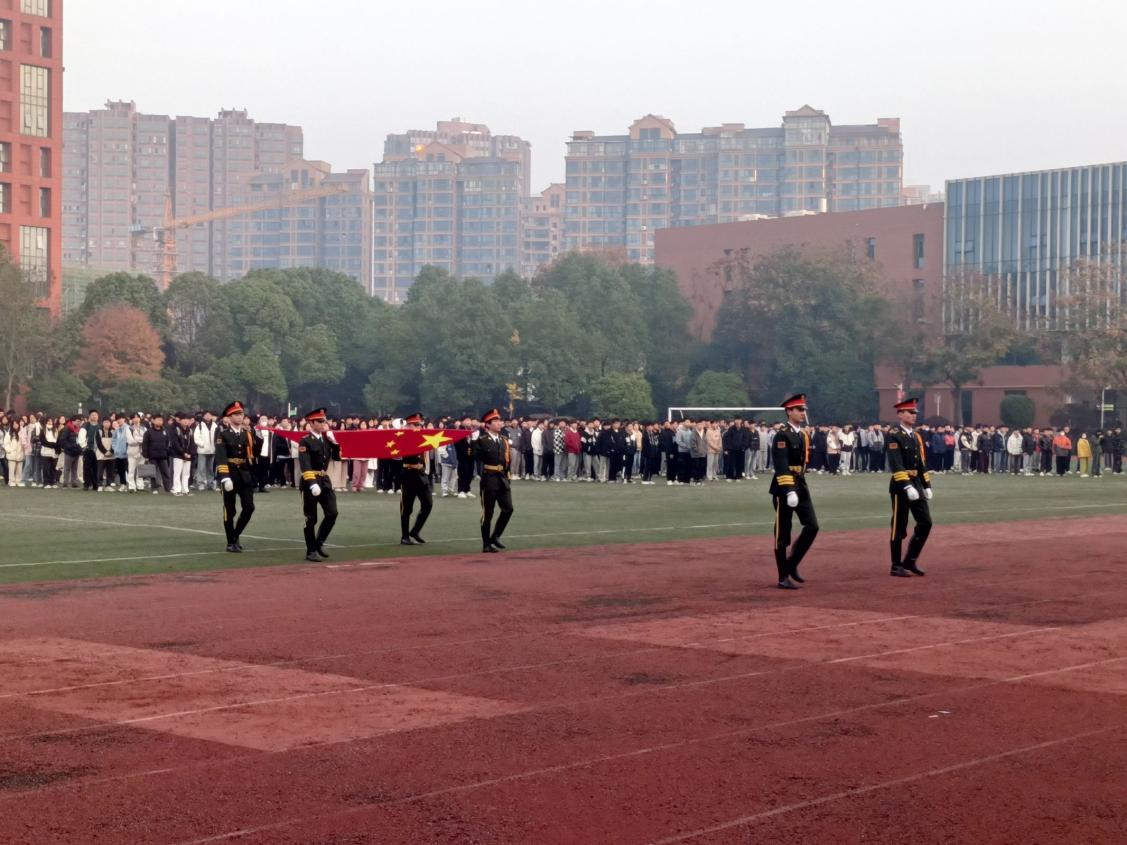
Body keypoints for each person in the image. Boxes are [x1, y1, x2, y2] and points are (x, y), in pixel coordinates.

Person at [769, 394, 819, 589]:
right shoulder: (782, 435)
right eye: (799, 410)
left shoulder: (802, 434)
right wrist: (789, 490)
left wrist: (798, 486)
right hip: (784, 487)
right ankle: (783, 576)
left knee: (812, 526)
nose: (802, 413)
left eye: (803, 410)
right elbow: (781, 465)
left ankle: (792, 564)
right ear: (789, 411)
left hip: (800, 484)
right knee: (783, 533)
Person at [886, 398, 933, 577]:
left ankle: (910, 560)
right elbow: (895, 463)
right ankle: (896, 565)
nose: (914, 415)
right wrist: (906, 486)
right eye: (910, 412)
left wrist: (926, 485)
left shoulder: (916, 436)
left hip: (916, 483)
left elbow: (920, 462)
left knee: (926, 522)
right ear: (900, 414)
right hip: (901, 486)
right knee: (899, 526)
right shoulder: (894, 435)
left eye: (915, 413)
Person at [215, 401, 258, 552]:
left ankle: (235, 535)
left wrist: (257, 436)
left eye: (241, 414)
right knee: (230, 510)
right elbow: (220, 457)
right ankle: (230, 542)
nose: (240, 417)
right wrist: (224, 477)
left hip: (244, 474)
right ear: (229, 417)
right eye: (236, 414)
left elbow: (254, 453)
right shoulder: (223, 434)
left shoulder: (247, 434)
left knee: (249, 507)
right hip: (230, 474)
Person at [297, 408, 338, 562]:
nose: (322, 424)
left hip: (324, 480)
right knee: (311, 518)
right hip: (310, 481)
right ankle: (311, 551)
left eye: (324, 421)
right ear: (311, 423)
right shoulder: (305, 441)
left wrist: (335, 444)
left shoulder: (326, 439)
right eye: (319, 421)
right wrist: (312, 483)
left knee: (332, 512)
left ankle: (319, 542)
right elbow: (305, 464)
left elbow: (337, 458)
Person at [477, 408, 513, 553]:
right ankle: (486, 544)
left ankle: (495, 536)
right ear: (488, 424)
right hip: (489, 479)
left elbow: (507, 461)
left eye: (500, 421)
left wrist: (508, 477)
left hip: (502, 479)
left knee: (508, 509)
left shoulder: (504, 440)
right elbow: (474, 456)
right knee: (488, 513)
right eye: (496, 421)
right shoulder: (482, 440)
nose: (499, 423)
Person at [399, 413, 434, 545]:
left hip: (421, 474)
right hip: (409, 474)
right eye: (416, 425)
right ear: (408, 426)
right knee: (407, 508)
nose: (419, 427)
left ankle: (415, 531)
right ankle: (404, 536)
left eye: (420, 425)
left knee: (428, 504)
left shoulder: (422, 437)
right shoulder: (403, 438)